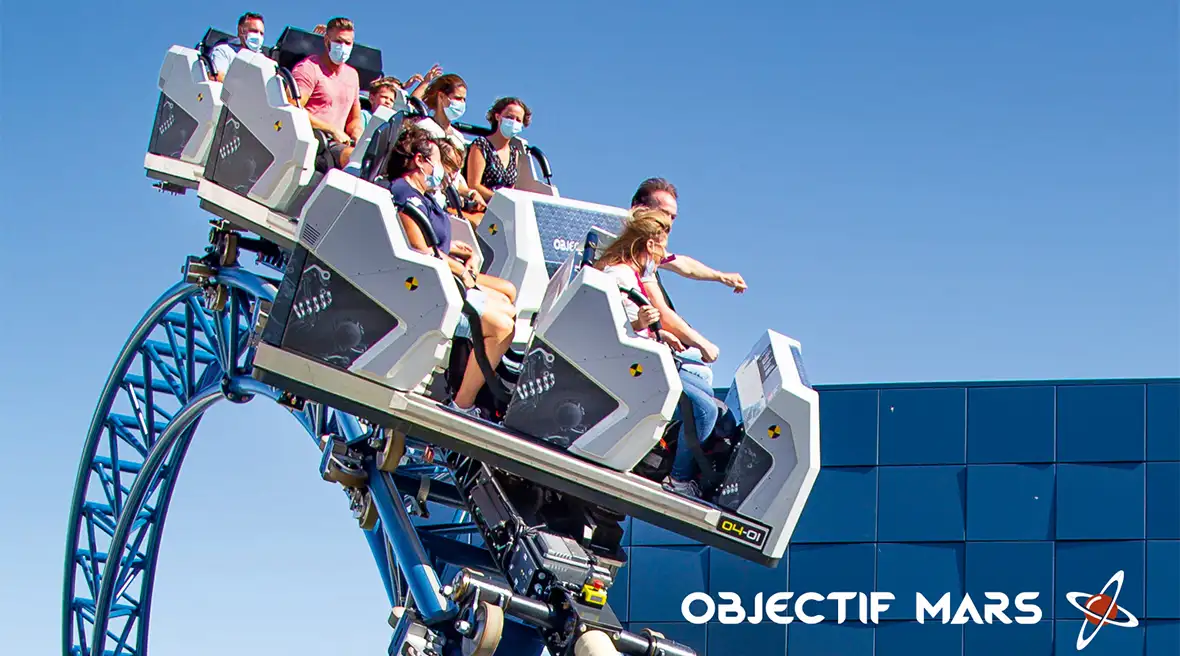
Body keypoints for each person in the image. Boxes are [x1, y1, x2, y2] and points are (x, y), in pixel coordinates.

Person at [385, 126, 518, 418]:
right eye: (436, 160)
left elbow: (431, 241)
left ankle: (467, 376)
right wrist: (458, 267)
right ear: (420, 161)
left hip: (443, 280)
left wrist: (456, 251)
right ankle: (462, 403)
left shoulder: (422, 195)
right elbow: (420, 252)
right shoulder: (407, 197)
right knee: (501, 328)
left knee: (507, 306)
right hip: (429, 288)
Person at [594, 208, 718, 498]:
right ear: (650, 245)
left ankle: (674, 450)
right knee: (704, 410)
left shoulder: (632, 272)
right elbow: (614, 328)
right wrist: (641, 323)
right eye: (662, 248)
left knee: (704, 385)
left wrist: (660, 334)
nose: (664, 255)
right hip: (634, 369)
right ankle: (679, 479)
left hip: (645, 357)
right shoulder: (619, 276)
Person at [291, 17, 363, 170]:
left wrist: (357, 132)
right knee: (354, 160)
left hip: (339, 143)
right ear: (326, 41)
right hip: (315, 140)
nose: (343, 47)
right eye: (338, 41)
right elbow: (293, 107)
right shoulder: (309, 68)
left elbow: (355, 117)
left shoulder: (352, 75)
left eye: (347, 43)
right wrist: (332, 129)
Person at [465, 97, 531, 201]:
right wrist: (500, 200)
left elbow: (510, 189)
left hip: (504, 207)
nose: (514, 122)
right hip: (482, 204)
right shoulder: (482, 145)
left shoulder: (514, 153)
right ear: (497, 116)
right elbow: (474, 185)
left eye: (518, 120)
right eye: (509, 117)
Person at [209, 12, 265, 81]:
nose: (258, 36)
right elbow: (217, 77)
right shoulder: (224, 51)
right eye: (254, 31)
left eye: (261, 33)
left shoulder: (264, 61)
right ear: (240, 30)